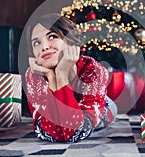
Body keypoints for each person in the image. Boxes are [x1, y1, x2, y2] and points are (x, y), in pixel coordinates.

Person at [24, 13, 117, 143]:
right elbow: (49, 132)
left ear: (70, 40)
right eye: (36, 43)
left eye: (52, 36)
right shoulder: (34, 75)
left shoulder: (94, 71)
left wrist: (61, 75)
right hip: (75, 111)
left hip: (102, 105)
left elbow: (75, 132)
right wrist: (51, 76)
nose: (44, 47)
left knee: (107, 113)